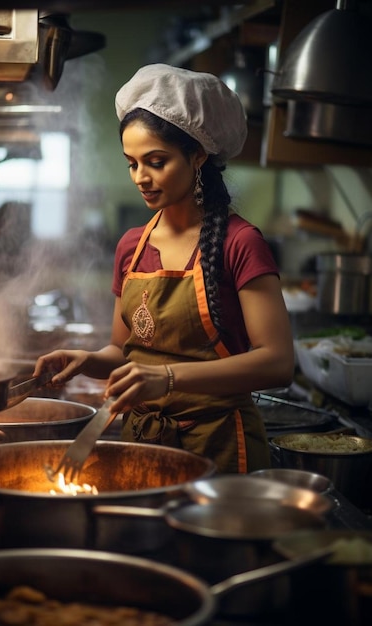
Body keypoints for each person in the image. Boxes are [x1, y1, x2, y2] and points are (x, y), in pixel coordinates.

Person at [34, 63, 295, 473]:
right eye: (132, 163)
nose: (141, 177)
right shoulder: (131, 247)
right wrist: (87, 360)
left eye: (156, 161)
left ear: (198, 157)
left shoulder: (240, 242)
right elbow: (124, 351)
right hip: (144, 441)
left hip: (219, 445)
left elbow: (277, 361)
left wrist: (169, 379)